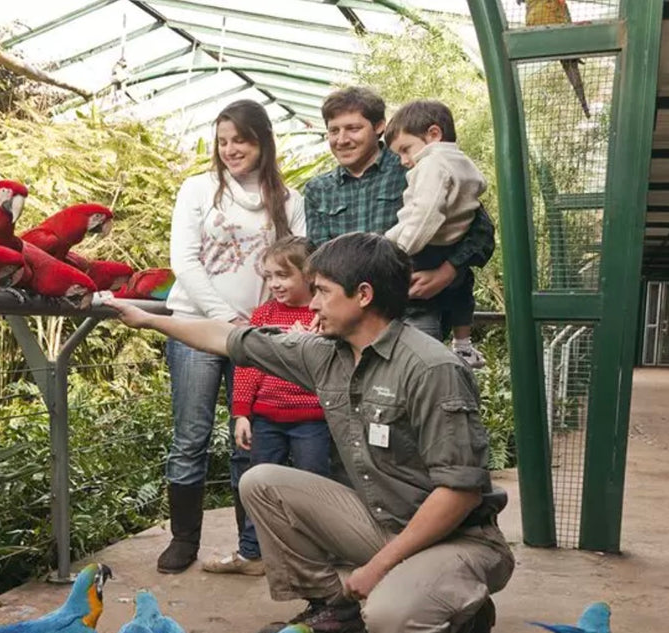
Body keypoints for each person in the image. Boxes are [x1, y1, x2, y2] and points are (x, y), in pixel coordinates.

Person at [105, 232, 514, 633]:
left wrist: (377, 569)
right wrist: (144, 319)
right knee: (261, 482)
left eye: (321, 290)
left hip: (458, 539)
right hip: (386, 521)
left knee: (393, 621)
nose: (312, 303)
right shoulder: (326, 356)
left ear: (363, 295)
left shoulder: (431, 369)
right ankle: (334, 611)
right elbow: (227, 338)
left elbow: (458, 494)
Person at [156, 99, 307, 575]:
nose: (230, 150)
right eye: (223, 141)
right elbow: (185, 261)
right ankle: (184, 539)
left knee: (251, 437)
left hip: (260, 336)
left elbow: (301, 265)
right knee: (191, 435)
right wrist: (229, 320)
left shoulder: (289, 200)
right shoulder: (198, 189)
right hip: (197, 327)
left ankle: (253, 544)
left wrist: (260, 325)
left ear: (261, 141)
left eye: (240, 140)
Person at [302, 86, 494, 368]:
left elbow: (481, 230)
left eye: (353, 128)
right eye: (334, 130)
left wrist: (447, 271)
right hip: (350, 320)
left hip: (414, 311)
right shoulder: (319, 189)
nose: (341, 139)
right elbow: (318, 257)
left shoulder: (417, 163)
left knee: (419, 391)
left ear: (379, 126)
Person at [215, 236, 333, 573]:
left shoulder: (323, 315)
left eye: (282, 275)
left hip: (312, 418)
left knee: (313, 484)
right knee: (258, 486)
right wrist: (241, 413)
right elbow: (249, 365)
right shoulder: (264, 314)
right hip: (267, 418)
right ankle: (253, 553)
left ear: (309, 275)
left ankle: (314, 553)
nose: (274, 284)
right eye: (269, 276)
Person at [383, 99, 489, 370]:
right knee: (463, 292)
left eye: (406, 150)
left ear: (433, 134)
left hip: (424, 255)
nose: (405, 161)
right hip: (445, 249)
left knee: (422, 367)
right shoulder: (462, 163)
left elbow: (424, 216)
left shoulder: (432, 165)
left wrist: (397, 249)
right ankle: (463, 346)